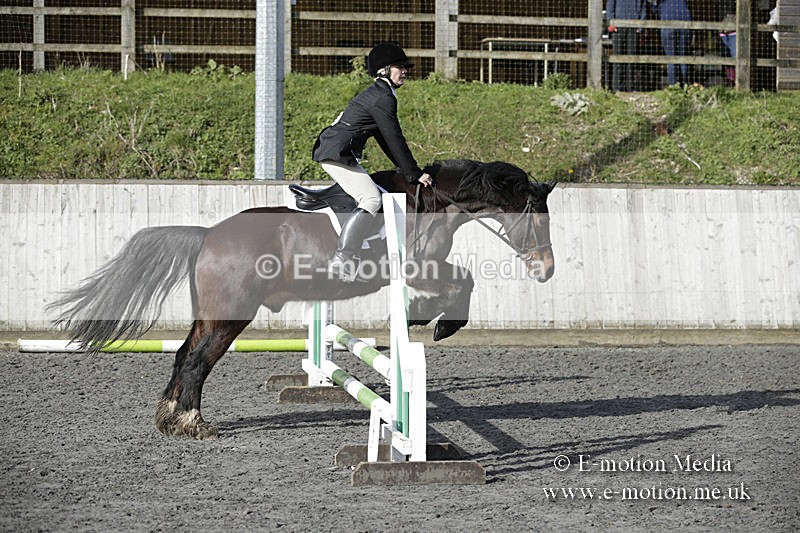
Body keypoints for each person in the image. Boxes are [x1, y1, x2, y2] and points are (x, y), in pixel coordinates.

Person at [311, 42, 433, 282]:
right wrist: (415, 173)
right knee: (371, 198)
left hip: (338, 151)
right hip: (336, 153)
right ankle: (343, 256)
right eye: (400, 67)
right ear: (384, 69)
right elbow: (395, 139)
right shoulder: (382, 98)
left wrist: (406, 171)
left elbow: (386, 139)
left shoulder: (379, 95)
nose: (405, 71)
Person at [606, 0, 647, 92]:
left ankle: (630, 87)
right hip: (618, 27)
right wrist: (611, 22)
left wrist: (640, 27)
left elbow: (643, 9)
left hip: (633, 28)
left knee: (631, 59)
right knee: (618, 59)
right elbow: (610, 6)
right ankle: (617, 87)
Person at [657, 0, 692, 86]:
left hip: (667, 22)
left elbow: (655, 8)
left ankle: (673, 86)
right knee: (683, 57)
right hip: (684, 23)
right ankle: (684, 85)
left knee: (671, 58)